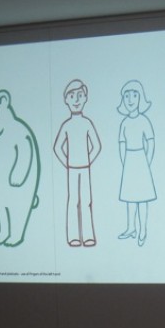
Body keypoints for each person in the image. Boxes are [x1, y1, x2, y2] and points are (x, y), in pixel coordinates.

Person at [53, 79, 102, 247]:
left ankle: (88, 236)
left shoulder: (87, 123)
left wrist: (88, 160)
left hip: (84, 168)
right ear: (66, 100)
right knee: (73, 200)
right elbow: (57, 147)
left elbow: (97, 146)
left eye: (80, 95)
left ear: (85, 98)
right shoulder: (66, 125)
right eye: (72, 96)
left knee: (86, 200)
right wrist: (67, 163)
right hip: (72, 169)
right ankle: (73, 237)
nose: (76, 100)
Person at [117, 80, 157, 247]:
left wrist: (147, 160)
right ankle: (131, 228)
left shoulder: (144, 120)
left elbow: (151, 141)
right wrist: (124, 161)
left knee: (143, 198)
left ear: (141, 98)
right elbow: (121, 142)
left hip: (141, 160)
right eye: (126, 96)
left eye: (134, 95)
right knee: (130, 198)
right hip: (129, 161)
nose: (130, 99)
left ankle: (143, 230)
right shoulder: (124, 122)